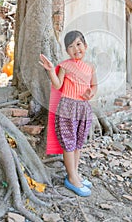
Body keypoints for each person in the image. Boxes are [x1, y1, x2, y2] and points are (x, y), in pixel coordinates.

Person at [39, 30, 97, 197]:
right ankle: (72, 178)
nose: (75, 49)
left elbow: (94, 85)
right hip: (67, 108)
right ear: (67, 51)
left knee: (78, 143)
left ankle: (75, 173)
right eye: (71, 46)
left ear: (85, 46)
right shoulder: (65, 66)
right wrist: (51, 70)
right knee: (69, 143)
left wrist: (91, 93)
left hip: (83, 109)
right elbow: (58, 85)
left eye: (78, 44)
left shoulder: (90, 67)